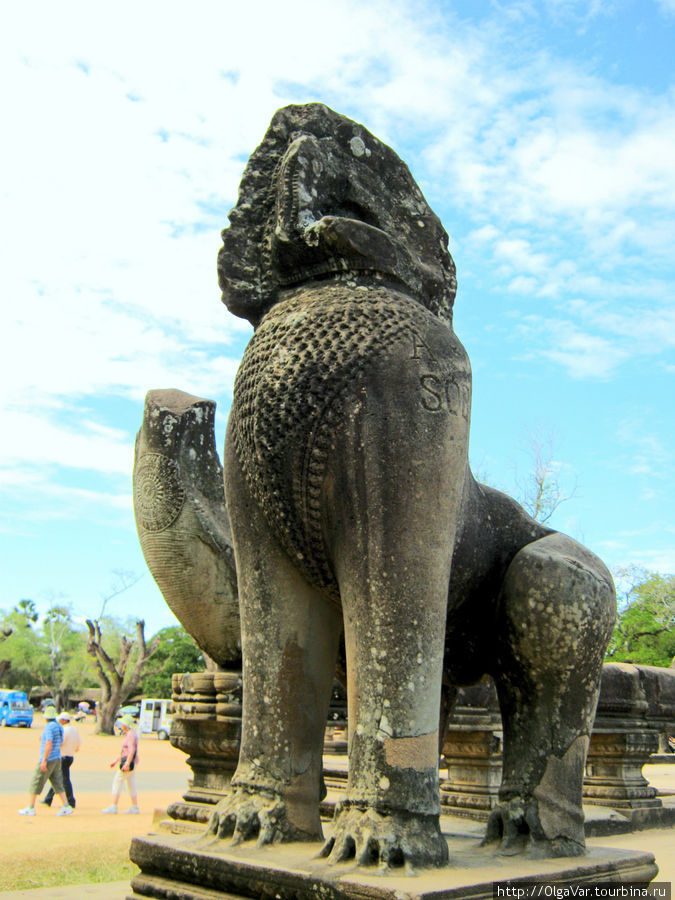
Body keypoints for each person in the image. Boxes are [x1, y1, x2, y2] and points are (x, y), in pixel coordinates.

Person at [18, 706, 73, 816]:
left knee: (36, 781)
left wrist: (44, 760)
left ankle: (31, 807)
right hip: (57, 758)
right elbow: (60, 742)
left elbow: (49, 742)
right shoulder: (59, 727)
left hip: (49, 759)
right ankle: (66, 806)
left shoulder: (49, 727)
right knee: (57, 783)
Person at [42, 710, 81, 809]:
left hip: (63, 757)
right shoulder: (74, 730)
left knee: (64, 779)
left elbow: (60, 742)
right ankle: (48, 799)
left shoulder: (64, 730)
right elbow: (78, 744)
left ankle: (71, 801)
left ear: (64, 720)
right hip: (70, 756)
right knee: (58, 777)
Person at [102, 714, 140, 814]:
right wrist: (116, 760)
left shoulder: (131, 735)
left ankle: (114, 806)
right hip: (130, 761)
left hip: (128, 762)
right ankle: (134, 807)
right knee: (130, 784)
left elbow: (131, 751)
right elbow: (125, 751)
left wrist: (127, 763)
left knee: (117, 782)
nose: (121, 725)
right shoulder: (130, 734)